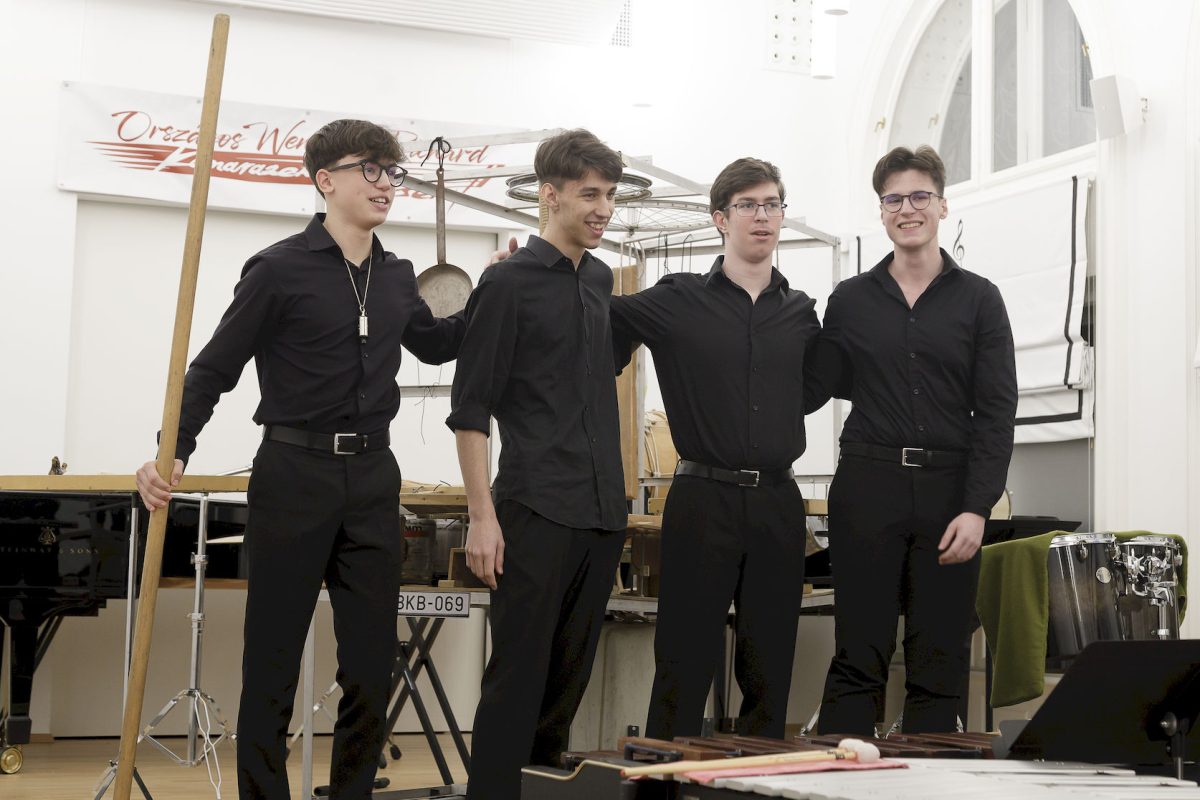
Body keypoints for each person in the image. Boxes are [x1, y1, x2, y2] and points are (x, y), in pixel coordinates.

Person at [135, 119, 464, 800]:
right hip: (293, 474)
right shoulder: (278, 269)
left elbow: (436, 345)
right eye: (369, 169)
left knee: (371, 666)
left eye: (391, 171)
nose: (385, 183)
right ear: (325, 180)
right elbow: (213, 370)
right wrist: (172, 451)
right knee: (273, 663)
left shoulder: (397, 276)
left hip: (373, 478)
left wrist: (495, 293)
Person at [609, 157, 824, 740]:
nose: (762, 216)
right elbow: (596, 319)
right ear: (720, 219)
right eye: (747, 205)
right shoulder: (676, 299)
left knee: (770, 663)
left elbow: (812, 391)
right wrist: (529, 275)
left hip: (778, 502)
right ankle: (662, 776)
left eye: (772, 204)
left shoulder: (801, 312)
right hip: (703, 498)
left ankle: (757, 776)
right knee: (683, 658)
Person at [447, 129, 628, 800]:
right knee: (517, 681)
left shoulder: (601, 280)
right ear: (550, 195)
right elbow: (471, 409)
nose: (604, 209)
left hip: (601, 514)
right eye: (590, 194)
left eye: (610, 196)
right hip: (534, 509)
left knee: (565, 687)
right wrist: (481, 517)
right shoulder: (506, 283)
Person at [816, 145, 1017, 735]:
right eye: (894, 199)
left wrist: (977, 507)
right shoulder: (849, 300)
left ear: (942, 206)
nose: (907, 209)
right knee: (859, 651)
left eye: (920, 196)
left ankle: (930, 778)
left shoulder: (980, 299)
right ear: (881, 212)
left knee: (940, 656)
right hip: (868, 485)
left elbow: (997, 411)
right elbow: (821, 383)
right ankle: (841, 774)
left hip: (949, 493)